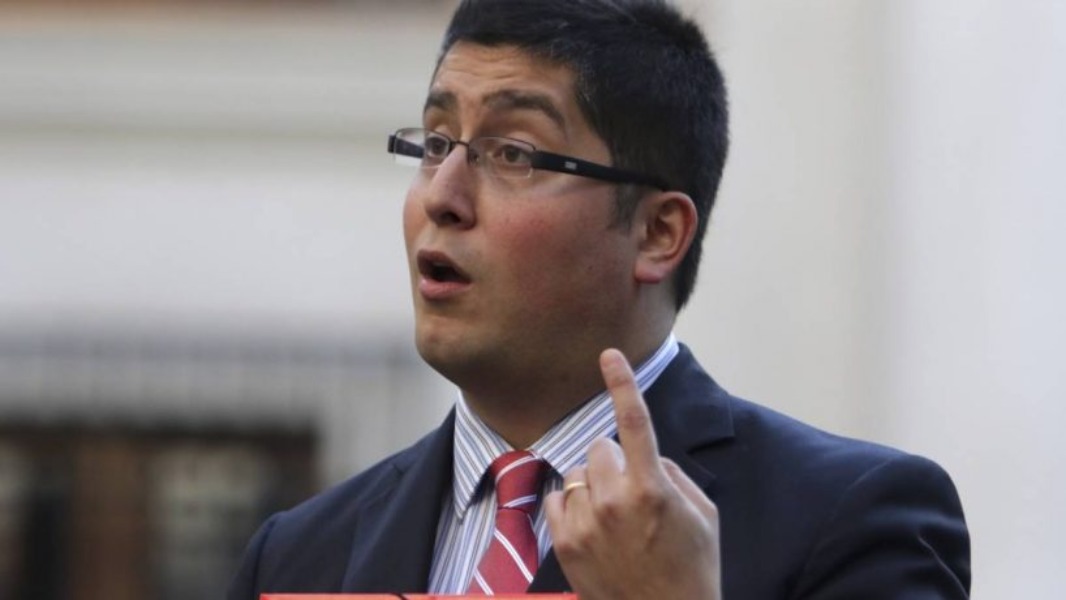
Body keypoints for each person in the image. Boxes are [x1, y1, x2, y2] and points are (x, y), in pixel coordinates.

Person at [228, 0, 971, 598]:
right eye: (436, 142)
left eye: (513, 153)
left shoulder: (855, 520)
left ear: (657, 233)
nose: (442, 197)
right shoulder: (298, 554)